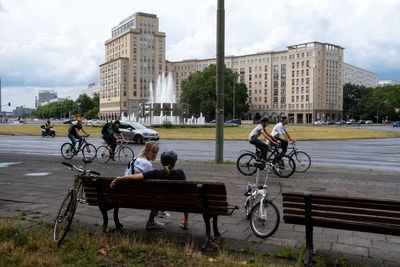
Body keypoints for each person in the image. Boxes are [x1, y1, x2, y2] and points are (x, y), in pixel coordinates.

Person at [111, 150, 190, 230]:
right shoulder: (180, 173)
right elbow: (185, 192)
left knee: (157, 196)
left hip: (156, 201)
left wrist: (119, 179)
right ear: (174, 162)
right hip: (178, 203)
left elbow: (136, 176)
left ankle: (151, 221)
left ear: (162, 162)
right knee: (185, 198)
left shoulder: (154, 173)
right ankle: (186, 221)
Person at [123, 141, 169, 219]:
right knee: (159, 190)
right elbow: (152, 182)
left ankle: (161, 211)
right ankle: (160, 213)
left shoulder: (136, 158)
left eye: (157, 152)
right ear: (148, 151)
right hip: (136, 194)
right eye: (153, 152)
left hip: (126, 190)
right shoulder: (147, 164)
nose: (155, 154)